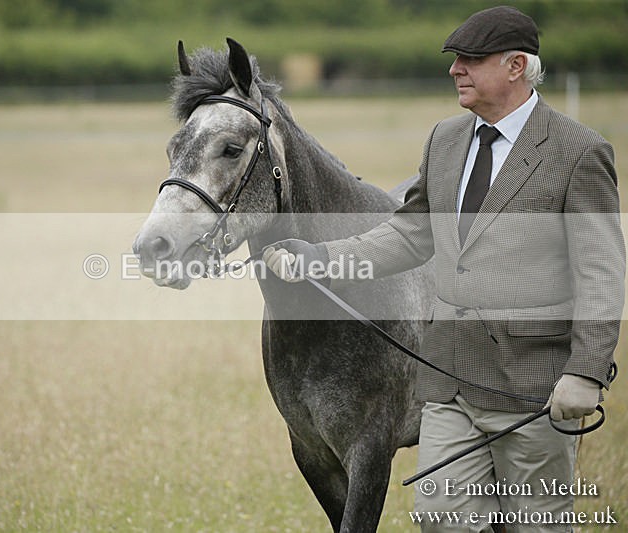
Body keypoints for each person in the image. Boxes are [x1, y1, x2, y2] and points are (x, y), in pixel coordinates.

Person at [263, 5, 624, 532]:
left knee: (535, 523)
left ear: (516, 66)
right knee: (441, 519)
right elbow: (408, 234)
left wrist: (586, 369)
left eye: (471, 59)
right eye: (456, 59)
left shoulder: (579, 152)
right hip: (449, 383)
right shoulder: (446, 140)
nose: (456, 69)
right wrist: (322, 259)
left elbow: (602, 272)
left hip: (532, 386)